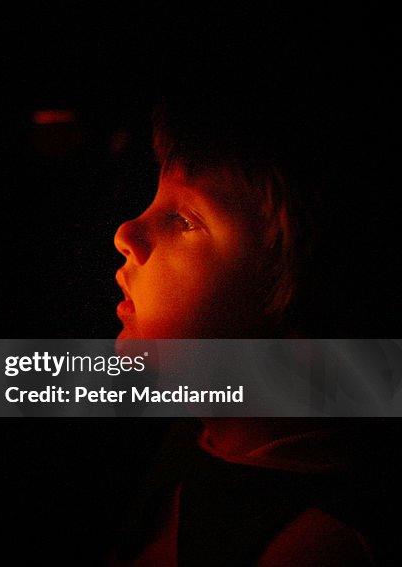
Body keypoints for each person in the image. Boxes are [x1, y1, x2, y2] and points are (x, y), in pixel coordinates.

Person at [107, 67, 400, 566]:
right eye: (156, 200)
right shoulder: (197, 439)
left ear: (302, 311)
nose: (126, 233)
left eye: (184, 219)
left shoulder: (315, 547)